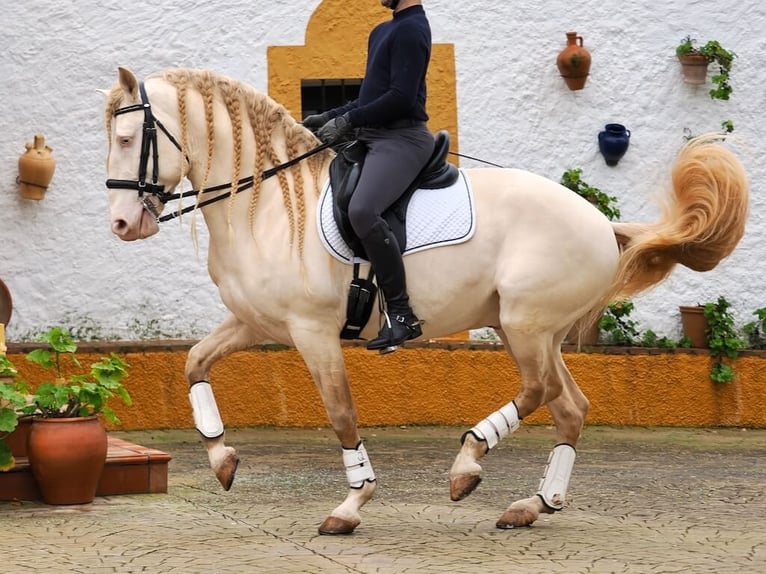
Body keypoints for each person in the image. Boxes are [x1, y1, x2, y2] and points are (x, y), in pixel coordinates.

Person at [303, 0, 434, 351]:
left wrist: (347, 122)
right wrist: (329, 115)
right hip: (373, 136)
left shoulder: (412, 29)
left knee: (362, 209)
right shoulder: (382, 30)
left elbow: (401, 98)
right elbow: (369, 96)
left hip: (403, 138)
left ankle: (402, 313)